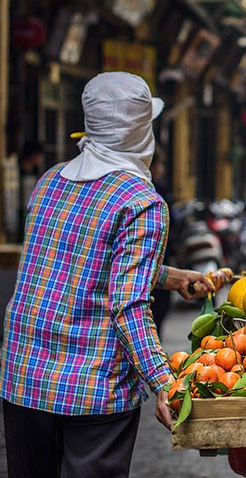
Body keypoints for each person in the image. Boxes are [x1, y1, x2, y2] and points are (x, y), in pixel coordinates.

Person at [0, 72, 215, 478]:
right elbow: (127, 303)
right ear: (142, 133)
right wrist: (164, 382)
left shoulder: (50, 180)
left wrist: (169, 277)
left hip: (23, 376)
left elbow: (78, 264)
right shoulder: (141, 201)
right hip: (92, 389)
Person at [150, 145, 174, 334]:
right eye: (161, 164)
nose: (162, 169)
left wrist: (179, 278)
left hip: (158, 266)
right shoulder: (150, 196)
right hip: (158, 259)